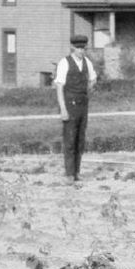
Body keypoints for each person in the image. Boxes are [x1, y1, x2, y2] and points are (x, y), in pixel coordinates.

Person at [54, 34, 99, 182]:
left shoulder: (87, 62)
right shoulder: (64, 63)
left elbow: (93, 79)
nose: (81, 51)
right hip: (69, 105)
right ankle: (69, 174)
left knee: (80, 139)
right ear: (72, 48)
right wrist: (63, 110)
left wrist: (88, 89)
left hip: (83, 105)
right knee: (70, 140)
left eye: (83, 48)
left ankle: (77, 172)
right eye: (78, 48)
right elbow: (59, 87)